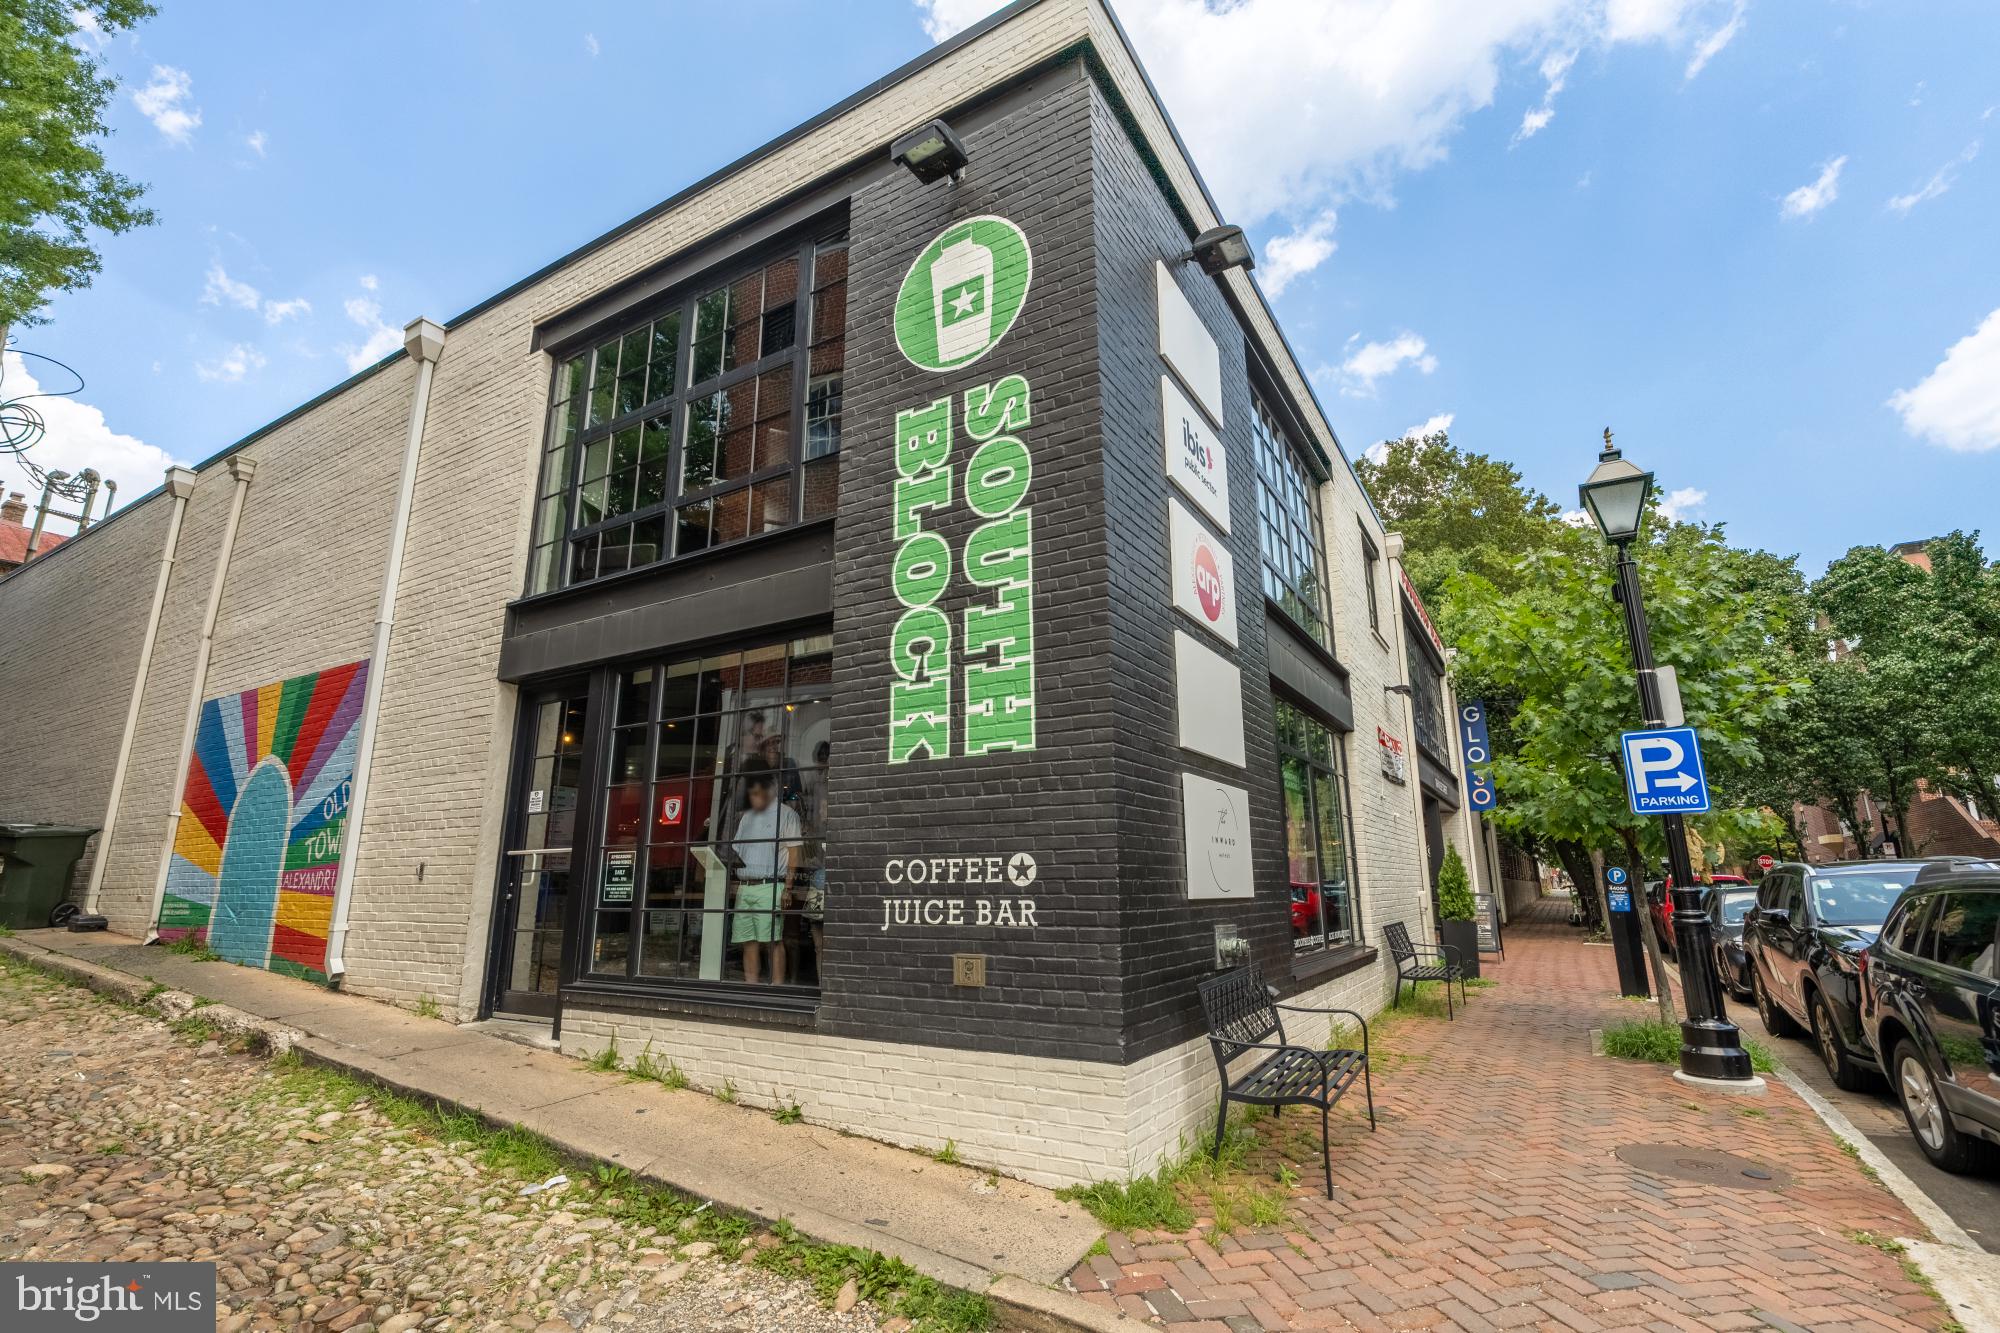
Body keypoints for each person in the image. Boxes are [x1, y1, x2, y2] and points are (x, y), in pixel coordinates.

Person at [730, 765, 800, 984]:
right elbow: (735, 851)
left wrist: (788, 888)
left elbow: (794, 853)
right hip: (745, 886)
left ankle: (776, 989)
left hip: (770, 885)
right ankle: (752, 988)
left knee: (772, 940)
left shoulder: (787, 814)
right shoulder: (747, 817)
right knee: (747, 941)